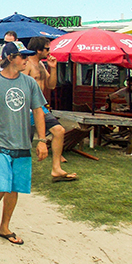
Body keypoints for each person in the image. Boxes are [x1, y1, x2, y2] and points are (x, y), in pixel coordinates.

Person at [0, 42, 48, 245]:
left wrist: (42, 141)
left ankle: (5, 226)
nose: (26, 60)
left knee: (15, 186)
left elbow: (39, 110)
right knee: (1, 183)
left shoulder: (29, 83)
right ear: (9, 58)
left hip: (22, 141)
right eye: (22, 56)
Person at [24, 37, 77, 182]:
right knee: (24, 143)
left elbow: (51, 85)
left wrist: (53, 68)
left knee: (59, 130)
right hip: (28, 108)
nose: (49, 52)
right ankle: (18, 173)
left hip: (40, 106)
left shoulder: (41, 64)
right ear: (38, 50)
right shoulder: (27, 64)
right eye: (47, 49)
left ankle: (56, 169)